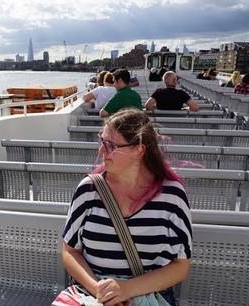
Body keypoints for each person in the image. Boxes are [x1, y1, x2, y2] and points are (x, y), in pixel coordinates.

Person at [59, 109, 192, 306]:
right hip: (92, 293)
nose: (101, 151)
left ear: (139, 150)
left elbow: (181, 265)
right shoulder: (89, 189)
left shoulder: (172, 195)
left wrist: (125, 290)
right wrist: (101, 291)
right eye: (101, 141)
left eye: (110, 145)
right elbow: (70, 251)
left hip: (149, 293)